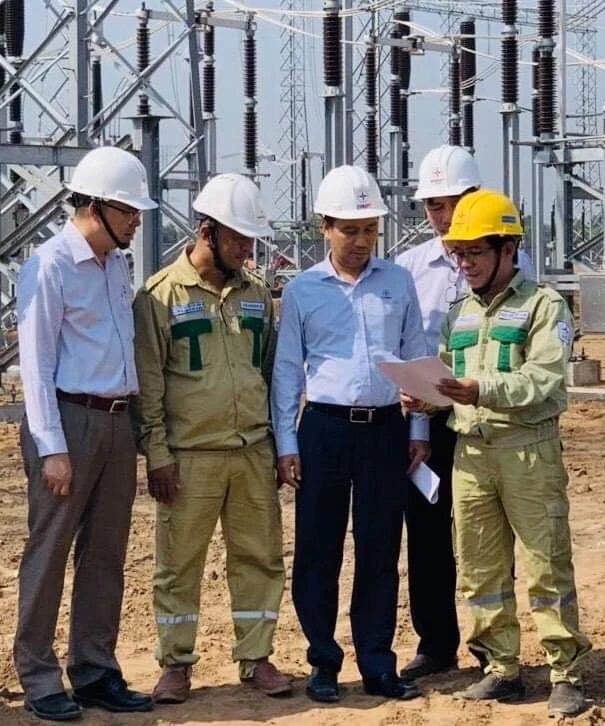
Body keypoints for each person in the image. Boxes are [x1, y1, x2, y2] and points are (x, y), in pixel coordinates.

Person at [271, 165, 429, 703]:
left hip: (385, 431)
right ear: (326, 227)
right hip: (324, 429)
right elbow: (287, 372)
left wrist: (419, 427)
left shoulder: (398, 282)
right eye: (350, 230)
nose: (361, 241)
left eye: (369, 230)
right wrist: (287, 444)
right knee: (318, 549)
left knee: (380, 548)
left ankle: (378, 664)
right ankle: (323, 662)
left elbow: (414, 356)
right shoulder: (302, 290)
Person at [132, 173, 291, 704]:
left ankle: (257, 657)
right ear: (207, 232)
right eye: (238, 238)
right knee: (178, 564)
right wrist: (157, 453)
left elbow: (268, 372)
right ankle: (175, 664)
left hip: (251, 452)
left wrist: (275, 445)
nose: (247, 250)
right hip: (189, 457)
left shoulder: (256, 294)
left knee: (259, 558)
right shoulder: (159, 296)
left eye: (250, 239)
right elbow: (149, 383)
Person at [433, 188, 591, 718]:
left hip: (527, 453)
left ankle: (565, 671)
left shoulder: (543, 306)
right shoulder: (459, 313)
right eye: (459, 253)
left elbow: (543, 380)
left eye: (475, 252)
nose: (466, 263)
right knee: (479, 569)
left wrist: (479, 389)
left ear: (508, 249)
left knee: (546, 564)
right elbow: (446, 374)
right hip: (471, 454)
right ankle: (501, 667)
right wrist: (427, 394)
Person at [14, 146, 157, 722]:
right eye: (128, 211)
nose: (137, 221)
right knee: (49, 553)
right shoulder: (49, 266)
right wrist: (52, 447)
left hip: (117, 420)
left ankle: (95, 670)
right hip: (68, 420)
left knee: (105, 554)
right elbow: (36, 365)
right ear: (95, 207)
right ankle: (38, 676)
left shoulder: (117, 265)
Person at [396, 145, 535, 682]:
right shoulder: (411, 270)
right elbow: (412, 354)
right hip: (432, 421)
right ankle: (436, 644)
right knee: (428, 533)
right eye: (432, 206)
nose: (441, 216)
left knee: (488, 536)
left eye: (450, 203)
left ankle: (493, 648)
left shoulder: (517, 265)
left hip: (492, 420)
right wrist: (417, 428)